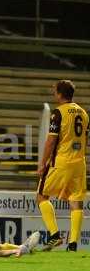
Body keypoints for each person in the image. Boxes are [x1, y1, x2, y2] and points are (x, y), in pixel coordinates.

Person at [37, 80, 89, 252]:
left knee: (41, 196)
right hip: (79, 163)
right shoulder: (83, 113)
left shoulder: (58, 113)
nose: (54, 94)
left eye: (55, 91)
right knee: (76, 201)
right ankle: (73, 244)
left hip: (62, 161)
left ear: (60, 94)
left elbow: (51, 140)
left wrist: (43, 162)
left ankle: (54, 235)